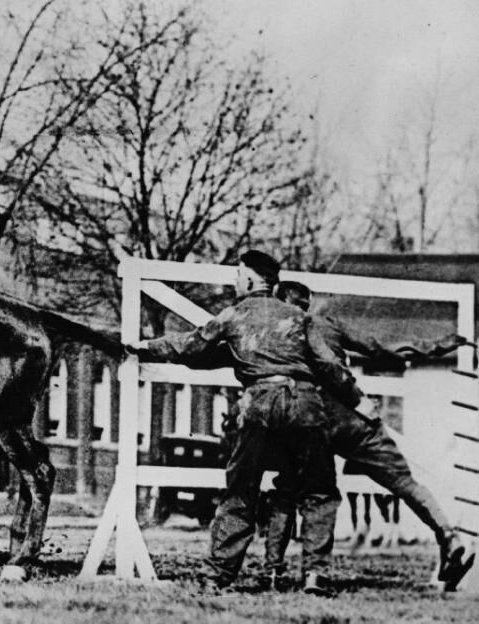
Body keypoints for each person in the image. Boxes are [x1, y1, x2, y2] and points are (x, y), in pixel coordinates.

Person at [133, 250, 348, 594]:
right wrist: (358, 400)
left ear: (250, 280)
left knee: (241, 491)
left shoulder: (234, 314)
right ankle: (315, 576)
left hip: (257, 404)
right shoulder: (298, 317)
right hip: (305, 405)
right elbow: (331, 366)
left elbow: (191, 346)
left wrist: (144, 346)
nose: (234, 282)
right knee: (319, 490)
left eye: (237, 276)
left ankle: (217, 576)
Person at [264, 280, 474, 591]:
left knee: (294, 492)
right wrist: (436, 346)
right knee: (403, 481)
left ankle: (284, 572)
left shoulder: (268, 335)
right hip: (352, 417)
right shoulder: (325, 325)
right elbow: (380, 348)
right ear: (308, 303)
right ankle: (449, 536)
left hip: (305, 422)